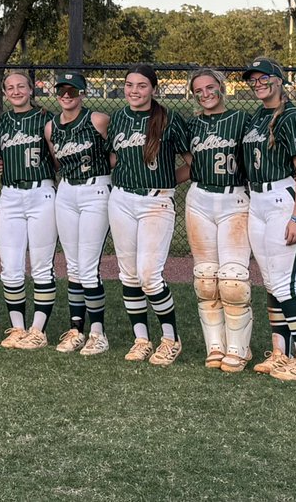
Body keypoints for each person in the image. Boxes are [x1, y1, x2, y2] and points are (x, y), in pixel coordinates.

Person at [242, 57, 296, 381]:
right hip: (257, 201)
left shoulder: (292, 117)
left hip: (283, 201)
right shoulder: (257, 116)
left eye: (265, 78)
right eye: (254, 79)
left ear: (279, 80)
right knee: (271, 284)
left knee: (286, 285)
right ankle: (280, 354)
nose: (259, 83)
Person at [107, 65, 191, 367]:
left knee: (149, 276)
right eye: (129, 84)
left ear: (153, 89)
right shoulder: (118, 118)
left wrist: (166, 182)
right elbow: (115, 157)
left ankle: (170, 339)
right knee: (128, 274)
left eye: (141, 85)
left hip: (156, 202)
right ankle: (141, 339)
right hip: (121, 200)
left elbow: (191, 164)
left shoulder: (168, 119)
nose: (134, 91)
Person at [184, 68, 252, 372]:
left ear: (222, 88)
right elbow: (190, 164)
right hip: (199, 199)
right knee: (205, 278)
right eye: (199, 90)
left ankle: (239, 348)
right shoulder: (191, 125)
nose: (206, 94)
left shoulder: (241, 119)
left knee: (234, 280)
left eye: (211, 87)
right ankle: (215, 345)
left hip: (234, 199)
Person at [44, 71, 112, 356]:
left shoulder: (97, 119)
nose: (67, 96)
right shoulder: (51, 128)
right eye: (62, 91)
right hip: (66, 192)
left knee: (87, 266)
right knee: (72, 266)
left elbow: (115, 155)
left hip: (96, 189)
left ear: (83, 94)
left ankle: (98, 333)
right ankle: (76, 330)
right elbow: (57, 162)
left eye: (73, 91)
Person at [0, 71, 58, 351]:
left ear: (32, 89)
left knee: (42, 266)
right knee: (10, 268)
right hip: (9, 195)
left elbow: (58, 157)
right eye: (11, 87)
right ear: (5, 92)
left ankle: (38, 330)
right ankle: (18, 328)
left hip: (41, 192)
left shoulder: (46, 119)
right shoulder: (1, 123)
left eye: (22, 86)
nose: (16, 91)